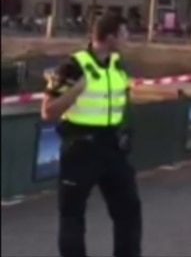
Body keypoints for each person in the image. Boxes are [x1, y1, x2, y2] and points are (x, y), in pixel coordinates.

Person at [41, 13, 142, 257]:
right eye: (124, 33)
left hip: (113, 148)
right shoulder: (72, 66)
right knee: (73, 215)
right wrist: (76, 90)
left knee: (129, 211)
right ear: (110, 37)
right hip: (81, 147)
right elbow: (48, 111)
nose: (128, 38)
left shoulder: (118, 64)